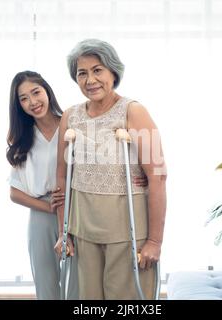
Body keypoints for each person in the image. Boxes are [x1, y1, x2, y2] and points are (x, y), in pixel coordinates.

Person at [54, 39, 167, 299]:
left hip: (127, 230)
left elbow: (158, 176)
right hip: (84, 231)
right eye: (82, 73)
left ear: (113, 72)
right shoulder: (70, 116)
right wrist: (64, 232)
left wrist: (155, 241)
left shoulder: (133, 111)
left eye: (97, 70)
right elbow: (61, 175)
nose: (90, 80)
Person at [6, 70, 79, 300]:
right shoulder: (23, 138)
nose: (32, 102)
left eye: (35, 92)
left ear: (46, 90)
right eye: (24, 98)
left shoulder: (72, 127)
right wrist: (48, 206)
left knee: (77, 285)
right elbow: (14, 192)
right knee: (46, 288)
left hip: (74, 210)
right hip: (41, 214)